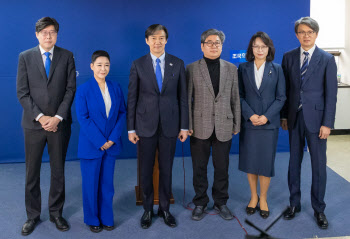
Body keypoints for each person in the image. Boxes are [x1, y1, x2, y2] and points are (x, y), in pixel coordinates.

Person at [16, 17, 76, 235]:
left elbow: (70, 89)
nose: (48, 36)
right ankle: (32, 216)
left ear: (57, 34)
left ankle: (56, 213)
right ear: (37, 34)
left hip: (59, 124)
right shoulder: (25, 57)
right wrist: (41, 117)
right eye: (44, 32)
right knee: (32, 173)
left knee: (58, 171)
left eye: (52, 32)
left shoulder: (67, 56)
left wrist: (58, 117)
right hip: (34, 125)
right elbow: (22, 92)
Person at [127, 24, 189, 229]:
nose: (157, 41)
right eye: (153, 38)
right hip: (144, 126)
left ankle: (164, 209)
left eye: (161, 38)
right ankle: (147, 209)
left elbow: (182, 98)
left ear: (166, 40)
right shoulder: (138, 64)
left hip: (171, 126)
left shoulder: (178, 63)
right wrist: (131, 129)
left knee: (166, 169)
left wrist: (184, 126)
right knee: (145, 170)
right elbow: (133, 98)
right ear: (147, 41)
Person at [281, 17, 337, 229]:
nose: (306, 35)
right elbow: (286, 91)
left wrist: (327, 123)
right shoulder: (289, 57)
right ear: (297, 35)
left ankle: (319, 209)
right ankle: (294, 204)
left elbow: (331, 95)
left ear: (316, 34)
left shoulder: (326, 59)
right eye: (302, 32)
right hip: (294, 119)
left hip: (317, 121)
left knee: (318, 166)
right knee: (293, 163)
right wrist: (284, 116)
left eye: (310, 32)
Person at [187, 29, 241, 221]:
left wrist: (237, 122)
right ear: (202, 46)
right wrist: (187, 124)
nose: (213, 46)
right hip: (199, 126)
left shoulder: (231, 68)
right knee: (199, 167)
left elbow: (235, 98)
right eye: (209, 42)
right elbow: (187, 99)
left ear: (222, 45)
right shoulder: (192, 68)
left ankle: (221, 202)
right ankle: (200, 202)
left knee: (222, 168)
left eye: (217, 43)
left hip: (224, 125)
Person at [75, 50, 126, 233]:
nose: (103, 68)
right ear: (91, 66)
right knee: (90, 184)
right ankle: (92, 218)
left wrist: (112, 139)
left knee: (107, 185)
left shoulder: (116, 87)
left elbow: (122, 113)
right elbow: (83, 118)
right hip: (91, 145)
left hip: (111, 145)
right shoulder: (83, 90)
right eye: (99, 65)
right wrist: (100, 141)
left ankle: (106, 217)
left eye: (106, 65)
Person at [238, 32, 286, 219]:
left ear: (269, 49)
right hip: (249, 123)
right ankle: (253, 197)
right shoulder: (242, 68)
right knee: (251, 162)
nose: (259, 50)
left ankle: (263, 198)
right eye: (256, 46)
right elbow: (239, 96)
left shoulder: (278, 69)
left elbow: (281, 97)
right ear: (251, 49)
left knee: (265, 163)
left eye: (263, 47)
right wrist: (250, 115)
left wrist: (266, 116)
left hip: (268, 124)